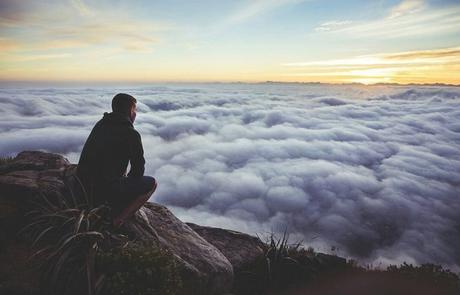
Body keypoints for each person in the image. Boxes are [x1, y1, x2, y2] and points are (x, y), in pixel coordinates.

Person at [76, 93, 157, 227]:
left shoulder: (101, 124)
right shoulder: (131, 134)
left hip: (82, 188)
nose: (135, 114)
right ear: (130, 110)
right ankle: (118, 220)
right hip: (103, 192)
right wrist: (125, 184)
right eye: (135, 110)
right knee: (152, 183)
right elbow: (138, 171)